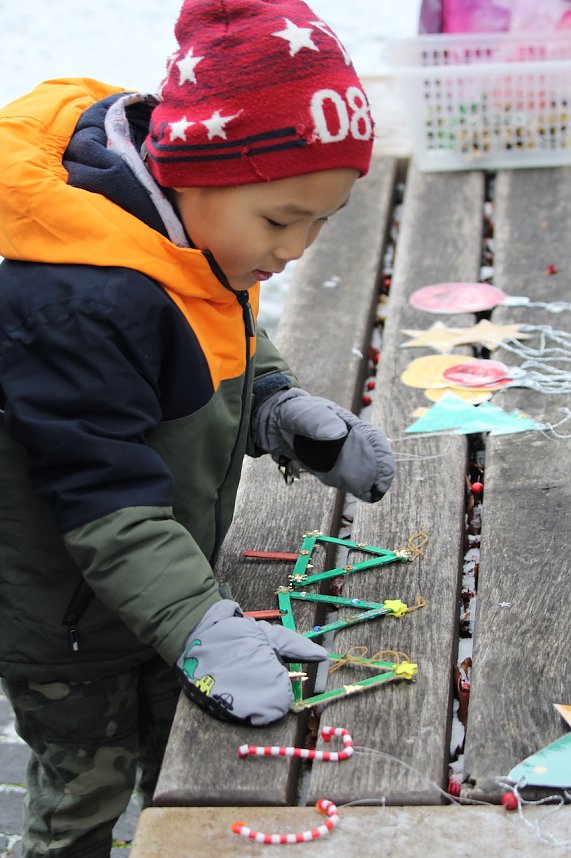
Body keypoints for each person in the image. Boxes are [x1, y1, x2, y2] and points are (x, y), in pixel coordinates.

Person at [0, 0, 395, 855]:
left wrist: (279, 407)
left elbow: (219, 337)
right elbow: (103, 499)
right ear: (193, 170)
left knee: (169, 763)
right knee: (85, 793)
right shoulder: (81, 301)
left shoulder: (184, 236)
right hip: (71, 622)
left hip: (155, 591)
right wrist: (198, 623)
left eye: (321, 222)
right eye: (283, 219)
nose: (296, 250)